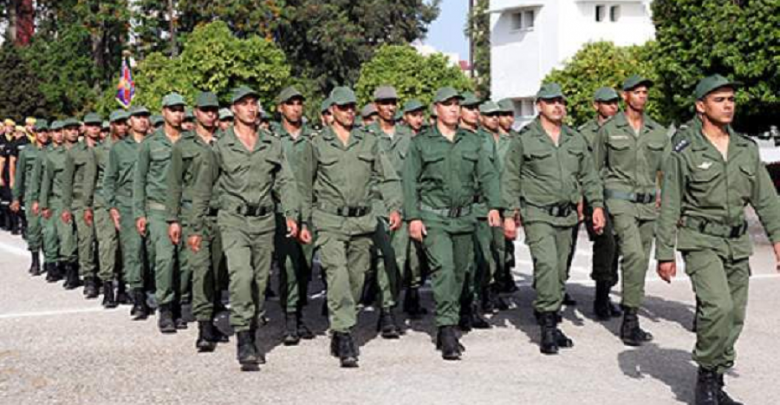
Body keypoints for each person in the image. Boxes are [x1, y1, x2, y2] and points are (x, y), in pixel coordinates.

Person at [656, 75, 780, 405]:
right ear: (701, 106)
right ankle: (706, 381)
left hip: (737, 243)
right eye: (719, 100)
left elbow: (766, 199)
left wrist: (778, 240)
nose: (728, 105)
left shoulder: (746, 149)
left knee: (734, 315)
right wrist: (664, 252)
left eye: (731, 99)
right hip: (700, 240)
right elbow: (670, 203)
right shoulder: (684, 150)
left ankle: (718, 378)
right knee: (718, 308)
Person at [190, 86, 300, 370]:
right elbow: (203, 188)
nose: (251, 108)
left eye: (254, 103)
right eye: (244, 104)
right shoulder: (220, 146)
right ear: (234, 109)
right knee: (241, 275)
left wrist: (291, 212)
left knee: (259, 283)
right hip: (233, 220)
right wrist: (195, 227)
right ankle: (244, 340)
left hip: (264, 221)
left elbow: (285, 180)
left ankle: (251, 330)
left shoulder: (271, 144)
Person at [299, 86, 401, 367]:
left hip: (362, 221)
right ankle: (344, 334)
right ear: (332, 111)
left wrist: (394, 206)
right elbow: (304, 185)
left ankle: (340, 324)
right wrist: (303, 220)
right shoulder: (316, 144)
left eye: (351, 107)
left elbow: (388, 176)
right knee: (338, 275)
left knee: (357, 278)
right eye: (343, 107)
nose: (348, 112)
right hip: (329, 220)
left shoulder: (368, 141)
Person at [502, 83, 605, 355]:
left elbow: (589, 176)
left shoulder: (575, 139)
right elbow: (511, 178)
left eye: (560, 101)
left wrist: (596, 205)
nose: (557, 106)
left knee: (559, 272)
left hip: (567, 216)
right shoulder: (524, 139)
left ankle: (551, 314)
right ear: (539, 106)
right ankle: (547, 326)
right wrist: (509, 214)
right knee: (547, 265)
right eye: (550, 101)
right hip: (537, 213)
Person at [403, 86, 502, 360]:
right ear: (436, 108)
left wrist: (494, 205)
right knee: (444, 269)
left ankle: (451, 316)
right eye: (448, 104)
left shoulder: (472, 142)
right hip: (434, 217)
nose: (454, 109)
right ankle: (446, 328)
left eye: (457, 104)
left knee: (461, 272)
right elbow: (409, 181)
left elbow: (488, 174)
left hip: (464, 218)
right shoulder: (422, 143)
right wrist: (413, 217)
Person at [593, 75, 671, 346]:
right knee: (634, 255)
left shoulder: (658, 132)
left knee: (640, 261)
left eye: (645, 93)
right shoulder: (608, 130)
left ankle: (631, 313)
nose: (642, 96)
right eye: (637, 92)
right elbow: (594, 170)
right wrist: (596, 205)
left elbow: (669, 172)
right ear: (625, 96)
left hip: (648, 204)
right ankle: (629, 321)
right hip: (619, 201)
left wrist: (669, 201)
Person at [167, 91, 228, 352]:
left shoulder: (226, 142)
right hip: (195, 216)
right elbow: (174, 183)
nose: (210, 115)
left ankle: (211, 320)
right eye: (205, 110)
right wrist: (173, 219)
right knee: (201, 269)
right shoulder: (183, 146)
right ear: (196, 113)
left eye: (214, 110)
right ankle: (203, 328)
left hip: (223, 214)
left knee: (218, 272)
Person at [134, 93, 188, 334]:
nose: (177, 114)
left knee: (185, 262)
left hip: (186, 208)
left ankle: (179, 305)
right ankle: (165, 308)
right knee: (165, 259)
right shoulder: (150, 143)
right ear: (164, 112)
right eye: (173, 109)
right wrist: (139, 212)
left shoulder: (190, 141)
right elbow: (140, 179)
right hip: (158, 209)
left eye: (180, 109)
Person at [269, 86, 318, 345]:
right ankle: (289, 319)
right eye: (290, 103)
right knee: (287, 266)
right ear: (280, 108)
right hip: (282, 212)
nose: (296, 108)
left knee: (305, 267)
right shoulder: (271, 139)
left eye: (299, 103)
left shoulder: (313, 138)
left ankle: (299, 315)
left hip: (310, 210)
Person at [573, 87, 623, 320]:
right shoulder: (584, 133)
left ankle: (606, 291)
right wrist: (580, 199)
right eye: (607, 102)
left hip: (619, 196)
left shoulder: (622, 129)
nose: (613, 106)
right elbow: (578, 168)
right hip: (595, 196)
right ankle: (600, 299)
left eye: (615, 102)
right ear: (596, 105)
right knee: (605, 243)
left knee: (617, 246)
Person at [105, 106, 152, 320]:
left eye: (145, 117)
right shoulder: (118, 149)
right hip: (127, 205)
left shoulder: (156, 144)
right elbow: (110, 180)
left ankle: (153, 291)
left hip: (153, 203)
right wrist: (112, 207)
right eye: (138, 117)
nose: (142, 120)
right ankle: (139, 299)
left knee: (154, 253)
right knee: (133, 252)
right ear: (130, 121)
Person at [92, 110, 130, 308]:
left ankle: (123, 287)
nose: (123, 127)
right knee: (107, 244)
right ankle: (107, 286)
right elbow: (91, 179)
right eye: (119, 123)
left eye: (125, 123)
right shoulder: (99, 151)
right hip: (103, 202)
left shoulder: (132, 147)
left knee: (125, 246)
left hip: (126, 201)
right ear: (112, 125)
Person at [62, 113, 100, 298]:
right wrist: (66, 207)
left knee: (105, 241)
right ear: (85, 128)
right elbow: (67, 181)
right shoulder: (74, 152)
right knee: (86, 239)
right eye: (91, 125)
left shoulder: (106, 148)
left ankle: (104, 275)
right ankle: (89, 277)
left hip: (101, 199)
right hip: (79, 201)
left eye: (97, 125)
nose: (95, 128)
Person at [40, 118, 80, 288]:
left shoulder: (86, 152)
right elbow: (46, 181)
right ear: (63, 132)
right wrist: (44, 205)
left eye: (76, 129)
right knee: (66, 236)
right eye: (69, 129)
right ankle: (70, 272)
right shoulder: (53, 157)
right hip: (60, 201)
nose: (73, 132)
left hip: (82, 200)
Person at [11, 120, 49, 275]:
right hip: (31, 195)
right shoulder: (26, 152)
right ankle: (35, 260)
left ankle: (50, 261)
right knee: (33, 228)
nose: (43, 134)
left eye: (45, 131)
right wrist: (16, 197)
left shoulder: (52, 150)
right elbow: (19, 176)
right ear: (34, 133)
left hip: (49, 195)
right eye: (40, 131)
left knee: (48, 230)